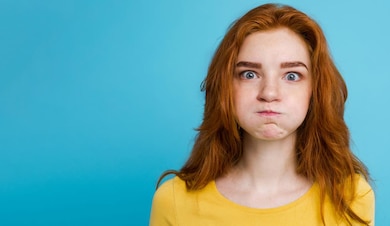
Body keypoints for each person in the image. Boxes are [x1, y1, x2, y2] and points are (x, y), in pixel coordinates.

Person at [149, 3, 374, 225]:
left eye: (292, 76)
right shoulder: (174, 201)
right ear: (225, 87)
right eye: (249, 74)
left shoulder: (351, 198)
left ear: (315, 91)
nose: (269, 93)